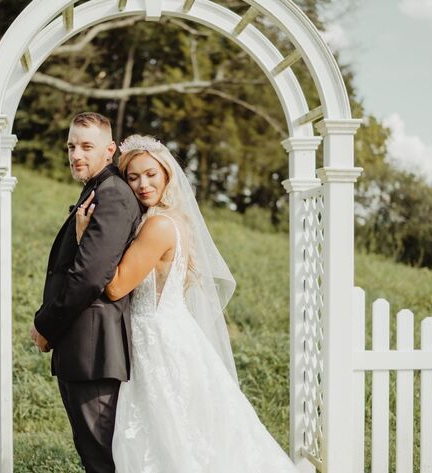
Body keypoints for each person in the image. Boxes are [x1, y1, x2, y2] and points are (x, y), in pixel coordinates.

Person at [75, 134, 301, 472]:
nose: (142, 184)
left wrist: (86, 239)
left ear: (167, 174)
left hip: (156, 339)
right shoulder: (171, 219)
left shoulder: (157, 226)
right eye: (133, 177)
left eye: (151, 174)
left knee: (171, 433)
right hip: (172, 330)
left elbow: (117, 286)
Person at [31, 113, 142, 473]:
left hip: (94, 351)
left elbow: (90, 276)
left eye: (86, 146)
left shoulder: (113, 195)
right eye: (71, 146)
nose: (76, 154)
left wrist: (46, 324)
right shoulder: (98, 189)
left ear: (109, 150)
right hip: (84, 349)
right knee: (93, 454)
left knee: (102, 459)